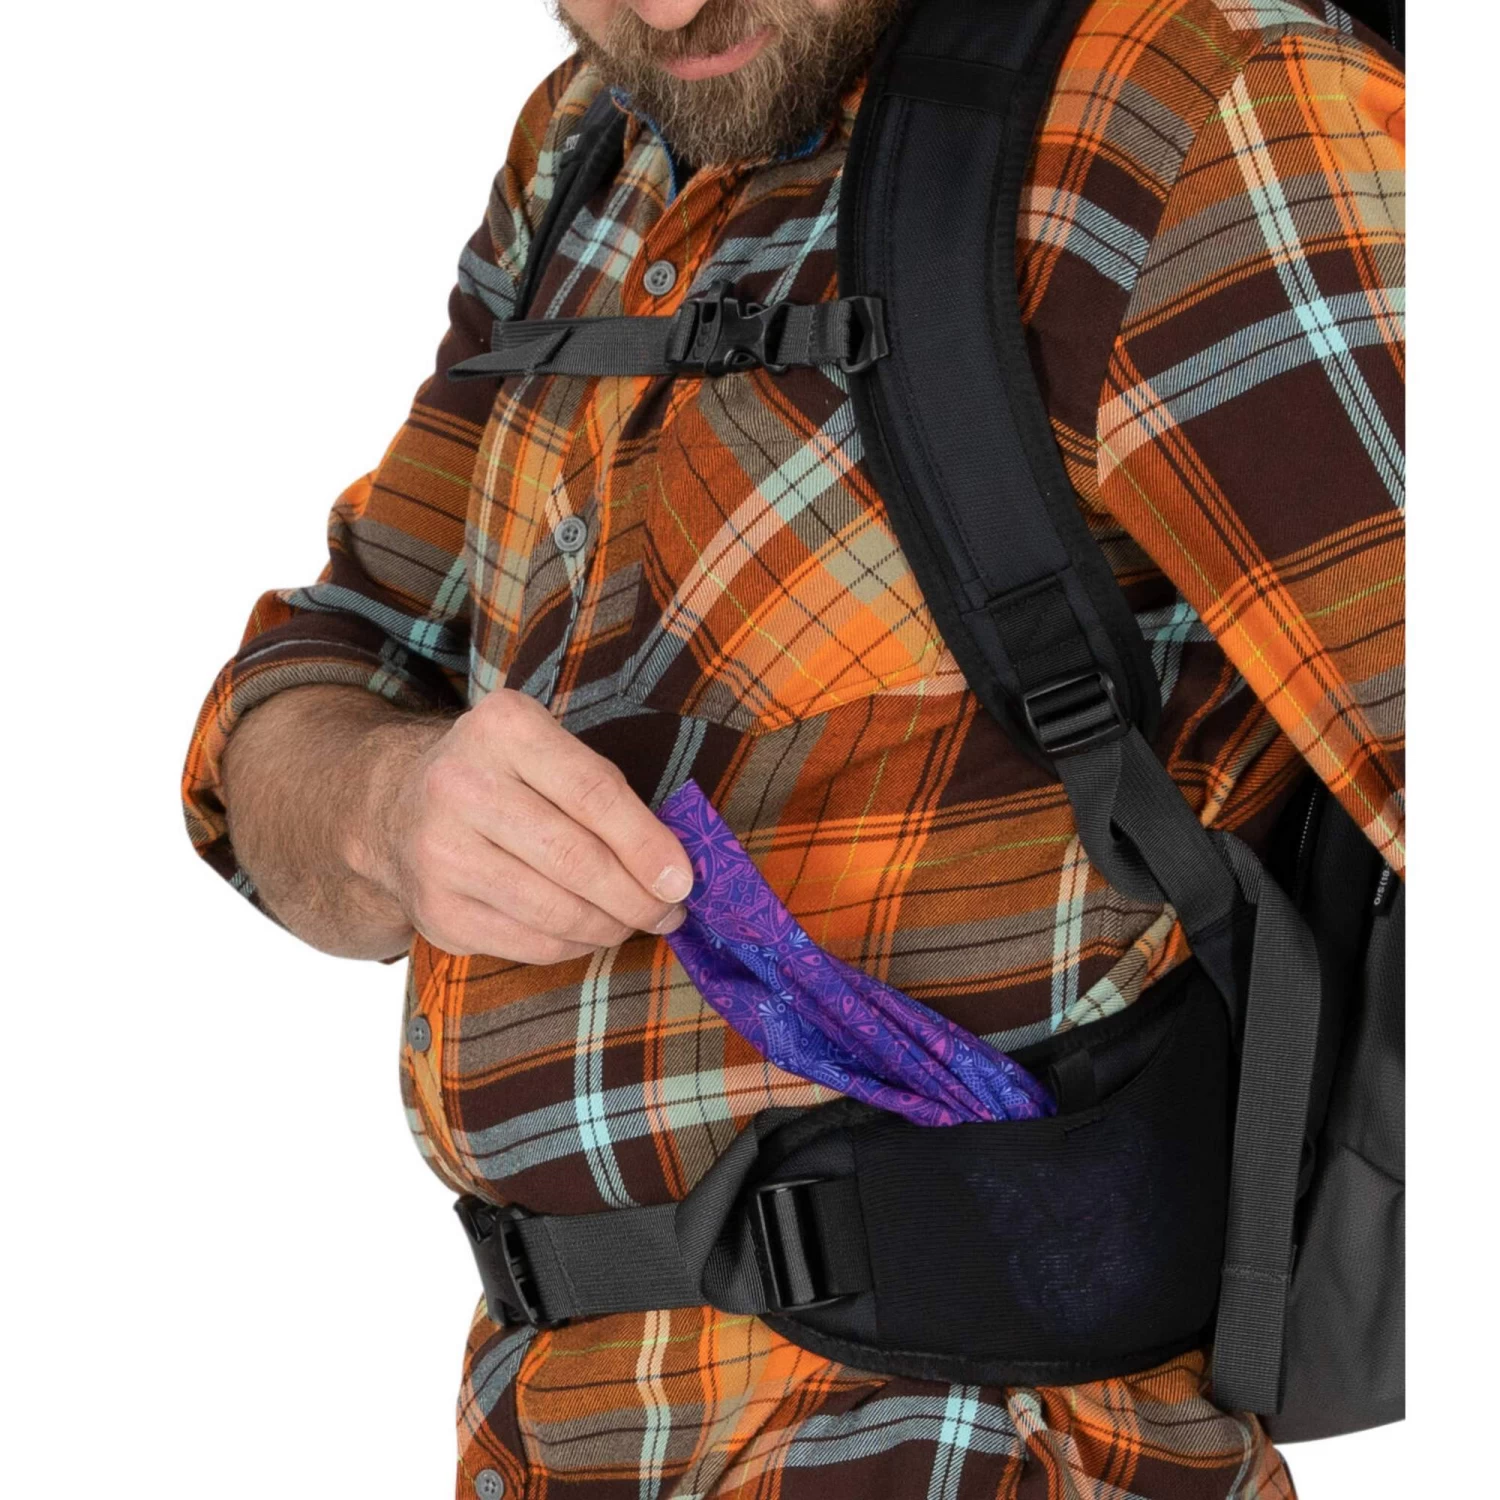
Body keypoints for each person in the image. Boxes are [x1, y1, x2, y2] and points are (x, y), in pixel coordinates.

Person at [181, 0, 1405, 1494]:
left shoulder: (1181, 108)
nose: (664, 6)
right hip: (552, 1434)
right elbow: (304, 692)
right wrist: (387, 801)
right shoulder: (590, 150)